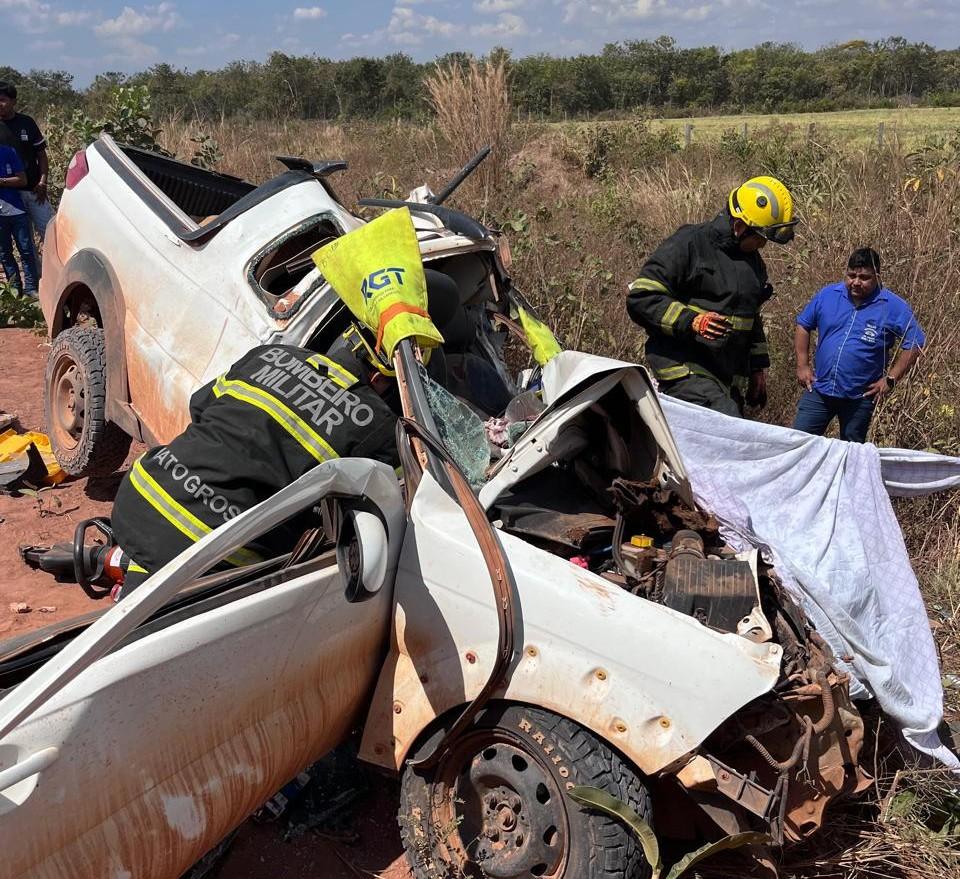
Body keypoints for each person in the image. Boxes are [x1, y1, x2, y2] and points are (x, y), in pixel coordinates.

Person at [109, 270, 462, 599]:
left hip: (141, 492)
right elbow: (398, 510)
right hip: (210, 553)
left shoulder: (270, 354)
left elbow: (200, 407)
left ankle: (117, 568)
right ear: (391, 376)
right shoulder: (380, 430)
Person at [626, 175, 797, 417]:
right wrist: (692, 321)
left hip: (726, 377)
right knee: (729, 432)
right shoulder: (690, 243)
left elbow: (751, 318)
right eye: (760, 237)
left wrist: (757, 369)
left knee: (729, 432)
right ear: (740, 227)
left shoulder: (754, 264)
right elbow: (642, 297)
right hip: (684, 368)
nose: (763, 245)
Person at [792, 247, 924, 443]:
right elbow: (803, 324)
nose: (856, 282)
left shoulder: (892, 306)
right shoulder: (828, 295)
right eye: (851, 275)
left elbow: (915, 342)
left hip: (859, 397)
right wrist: (802, 365)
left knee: (852, 452)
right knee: (798, 442)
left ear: (877, 276)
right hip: (819, 389)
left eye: (864, 277)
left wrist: (891, 379)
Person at [0, 81, 54, 244]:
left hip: (33, 191)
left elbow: (41, 155)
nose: (0, 104)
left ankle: (61, 268)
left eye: (3, 99)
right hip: (8, 195)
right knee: (25, 242)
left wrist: (43, 182)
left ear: (14, 101)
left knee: (51, 234)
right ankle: (34, 270)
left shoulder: (27, 123)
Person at [0, 140, 40, 297]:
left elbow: (22, 179)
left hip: (16, 210)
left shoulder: (8, 151)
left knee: (26, 250)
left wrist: (1, 181)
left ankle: (31, 288)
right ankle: (15, 289)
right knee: (4, 253)